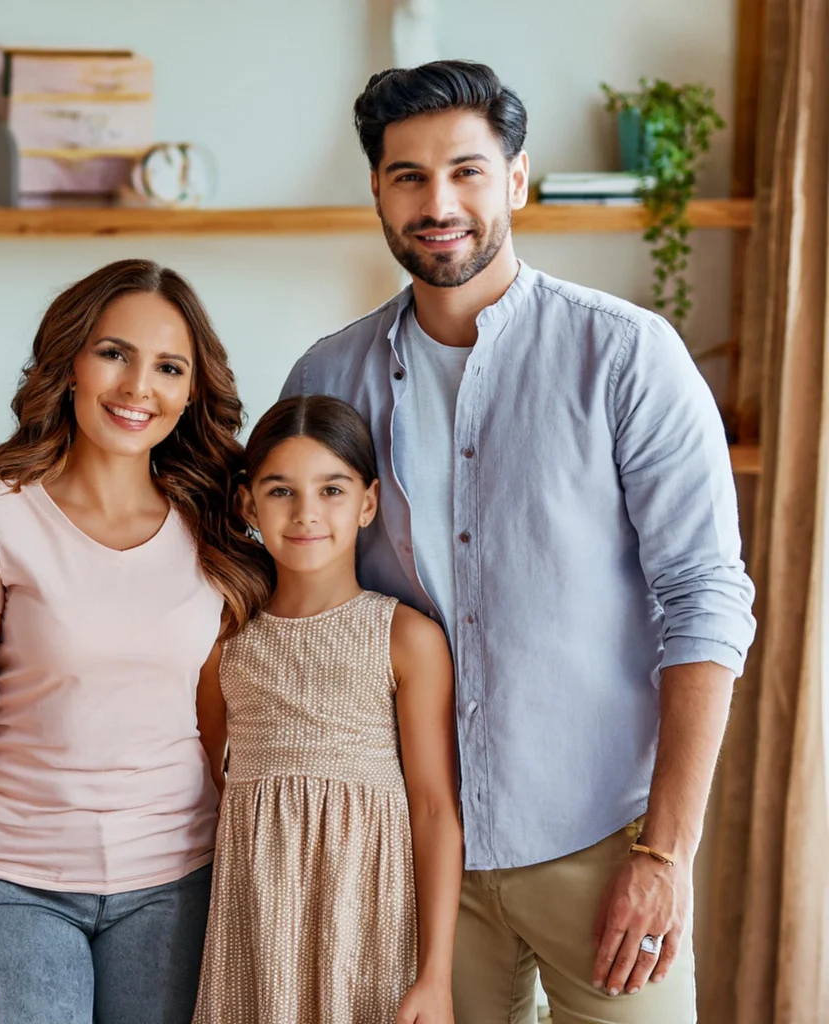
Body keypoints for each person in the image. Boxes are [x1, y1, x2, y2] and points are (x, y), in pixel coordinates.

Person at [281, 61, 757, 1024]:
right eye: (408, 175)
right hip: (414, 857)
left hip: (603, 849)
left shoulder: (626, 356)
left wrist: (665, 854)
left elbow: (706, 600)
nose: (438, 201)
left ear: (517, 181)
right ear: (376, 190)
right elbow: (296, 594)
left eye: (465, 170)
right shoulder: (327, 378)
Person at [0, 259, 268, 1024]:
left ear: (190, 392)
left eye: (168, 367)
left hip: (178, 885)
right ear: (71, 362)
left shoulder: (212, 531)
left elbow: (219, 732)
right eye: (114, 353)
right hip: (15, 887)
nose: (138, 386)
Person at [191, 394, 463, 1024]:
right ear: (247, 503)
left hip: (370, 919)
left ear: (368, 502)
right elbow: (213, 781)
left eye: (332, 491)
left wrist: (437, 976)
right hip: (255, 923)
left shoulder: (407, 638)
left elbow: (433, 808)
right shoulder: (223, 640)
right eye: (281, 491)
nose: (306, 513)